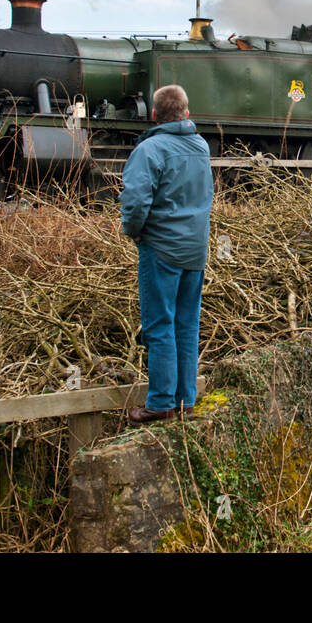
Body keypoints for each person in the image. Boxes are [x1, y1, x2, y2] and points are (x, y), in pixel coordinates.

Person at [120, 85, 214, 424]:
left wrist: (134, 230)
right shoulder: (201, 146)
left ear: (154, 114)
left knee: (159, 326)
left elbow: (134, 201)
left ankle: (160, 403)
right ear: (187, 113)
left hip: (161, 248)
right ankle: (185, 401)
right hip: (194, 250)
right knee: (187, 326)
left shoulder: (150, 149)